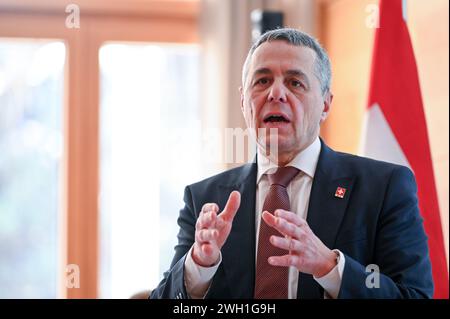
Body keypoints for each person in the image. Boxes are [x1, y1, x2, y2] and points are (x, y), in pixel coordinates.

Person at [150, 28, 433, 299]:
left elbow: (414, 294)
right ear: (242, 100)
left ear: (325, 104)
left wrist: (330, 267)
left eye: (295, 83)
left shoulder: (382, 188)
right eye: (262, 81)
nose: (276, 93)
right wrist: (198, 265)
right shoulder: (205, 199)